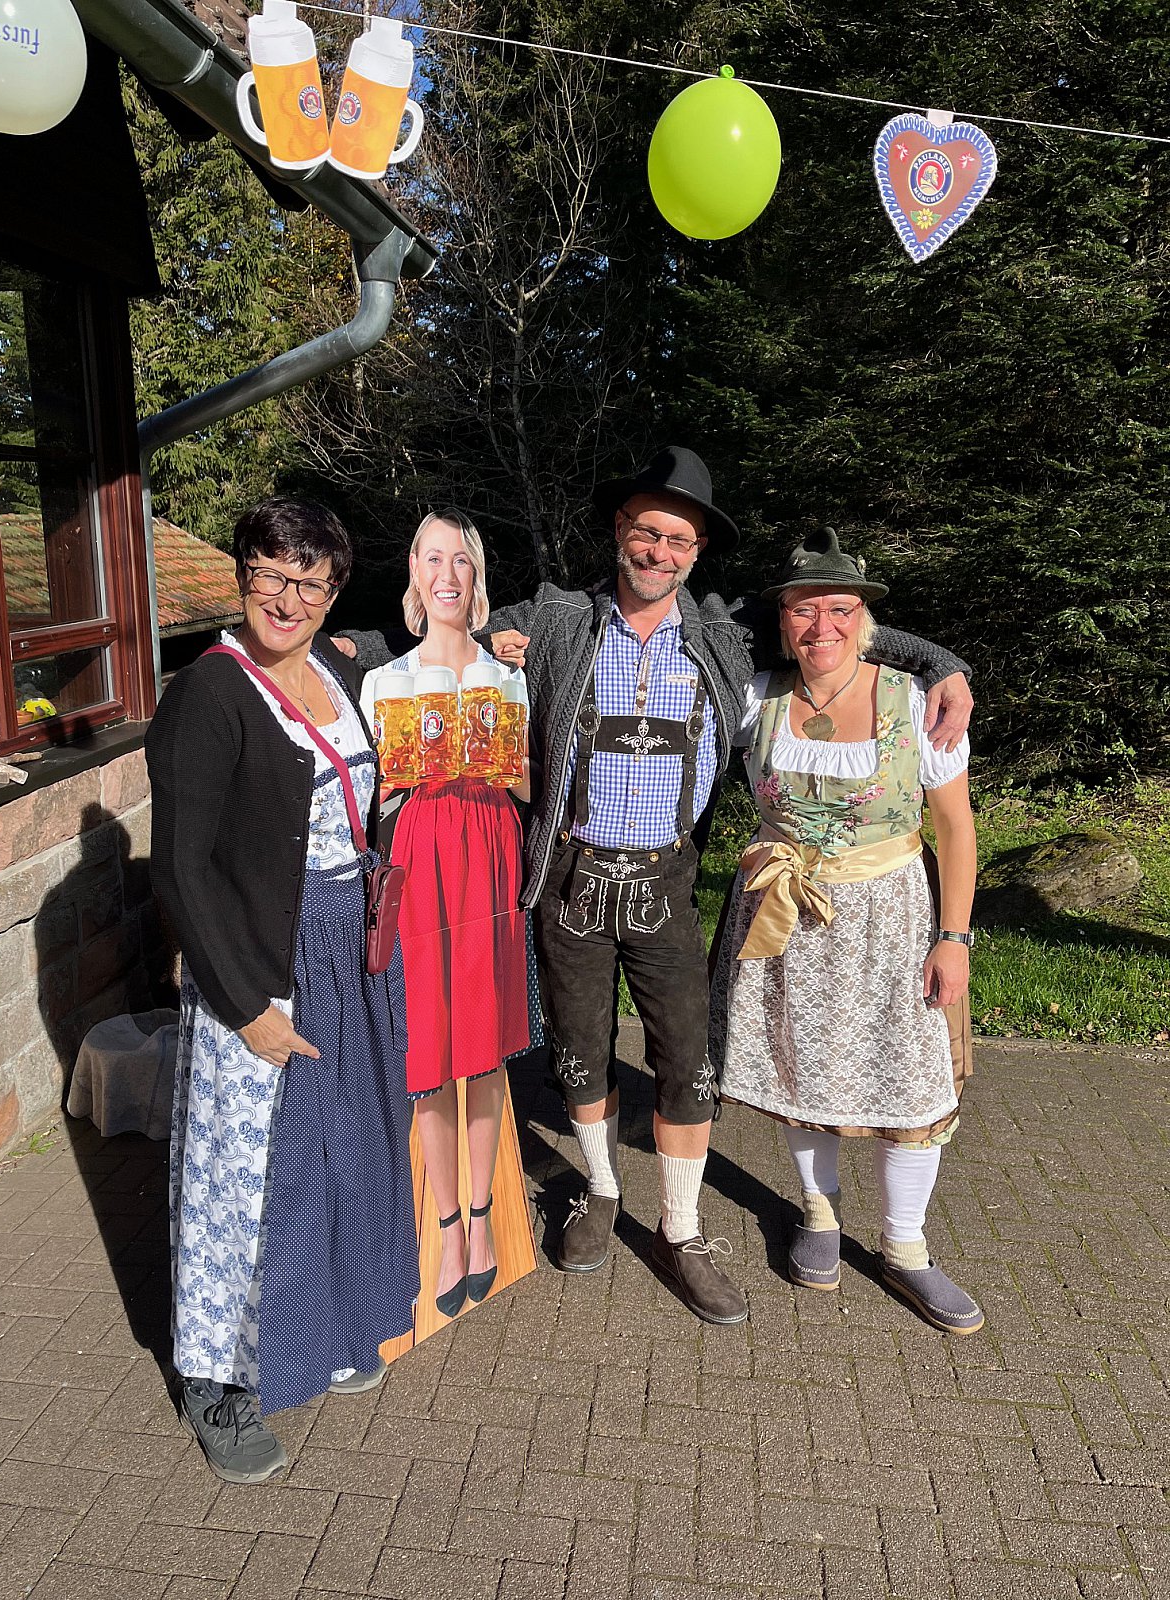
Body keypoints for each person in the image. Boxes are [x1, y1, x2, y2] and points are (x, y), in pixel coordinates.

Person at [338, 446, 973, 1326]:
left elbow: (828, 623)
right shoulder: (557, 618)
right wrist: (349, 647)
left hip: (666, 881)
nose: (659, 552)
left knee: (687, 1061)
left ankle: (682, 1228)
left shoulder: (725, 637)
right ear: (619, 531)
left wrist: (941, 661)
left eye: (678, 540)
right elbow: (449, 623)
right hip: (571, 876)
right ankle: (601, 1190)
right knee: (579, 1051)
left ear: (697, 551)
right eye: (646, 532)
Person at [146, 497, 418, 1483]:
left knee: (340, 1143)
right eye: (270, 573)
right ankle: (215, 1378)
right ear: (242, 574)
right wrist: (245, 1005)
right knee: (244, 1169)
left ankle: (329, 1323)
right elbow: (181, 867)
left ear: (335, 592)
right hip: (261, 955)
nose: (288, 598)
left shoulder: (336, 670)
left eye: (310, 581)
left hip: (346, 945)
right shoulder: (209, 693)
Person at [708, 527, 982, 1334]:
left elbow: (956, 829)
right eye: (803, 610)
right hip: (785, 914)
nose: (821, 626)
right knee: (801, 1069)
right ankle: (818, 1212)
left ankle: (905, 1246)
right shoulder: (755, 697)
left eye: (839, 608)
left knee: (913, 1083)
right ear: (780, 621)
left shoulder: (917, 701)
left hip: (893, 919)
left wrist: (954, 938)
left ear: (865, 620)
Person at [372, 508, 538, 1320]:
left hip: (490, 852)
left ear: (476, 578)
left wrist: (505, 761)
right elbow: (368, 800)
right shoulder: (383, 680)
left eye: (461, 561)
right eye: (433, 558)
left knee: (485, 1045)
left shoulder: (508, 675)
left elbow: (530, 783)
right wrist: (390, 782)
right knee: (431, 1050)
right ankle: (446, 1224)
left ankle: (482, 1217)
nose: (447, 574)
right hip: (422, 854)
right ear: (414, 570)